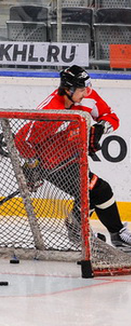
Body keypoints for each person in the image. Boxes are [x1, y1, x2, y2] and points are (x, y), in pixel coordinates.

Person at [14, 65, 131, 251]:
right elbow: (22, 139)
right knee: (95, 189)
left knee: (98, 192)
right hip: (52, 165)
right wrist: (32, 165)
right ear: (69, 90)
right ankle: (82, 231)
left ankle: (106, 233)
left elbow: (110, 117)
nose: (86, 92)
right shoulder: (52, 111)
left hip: (76, 159)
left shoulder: (87, 97)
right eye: (82, 89)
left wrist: (100, 129)